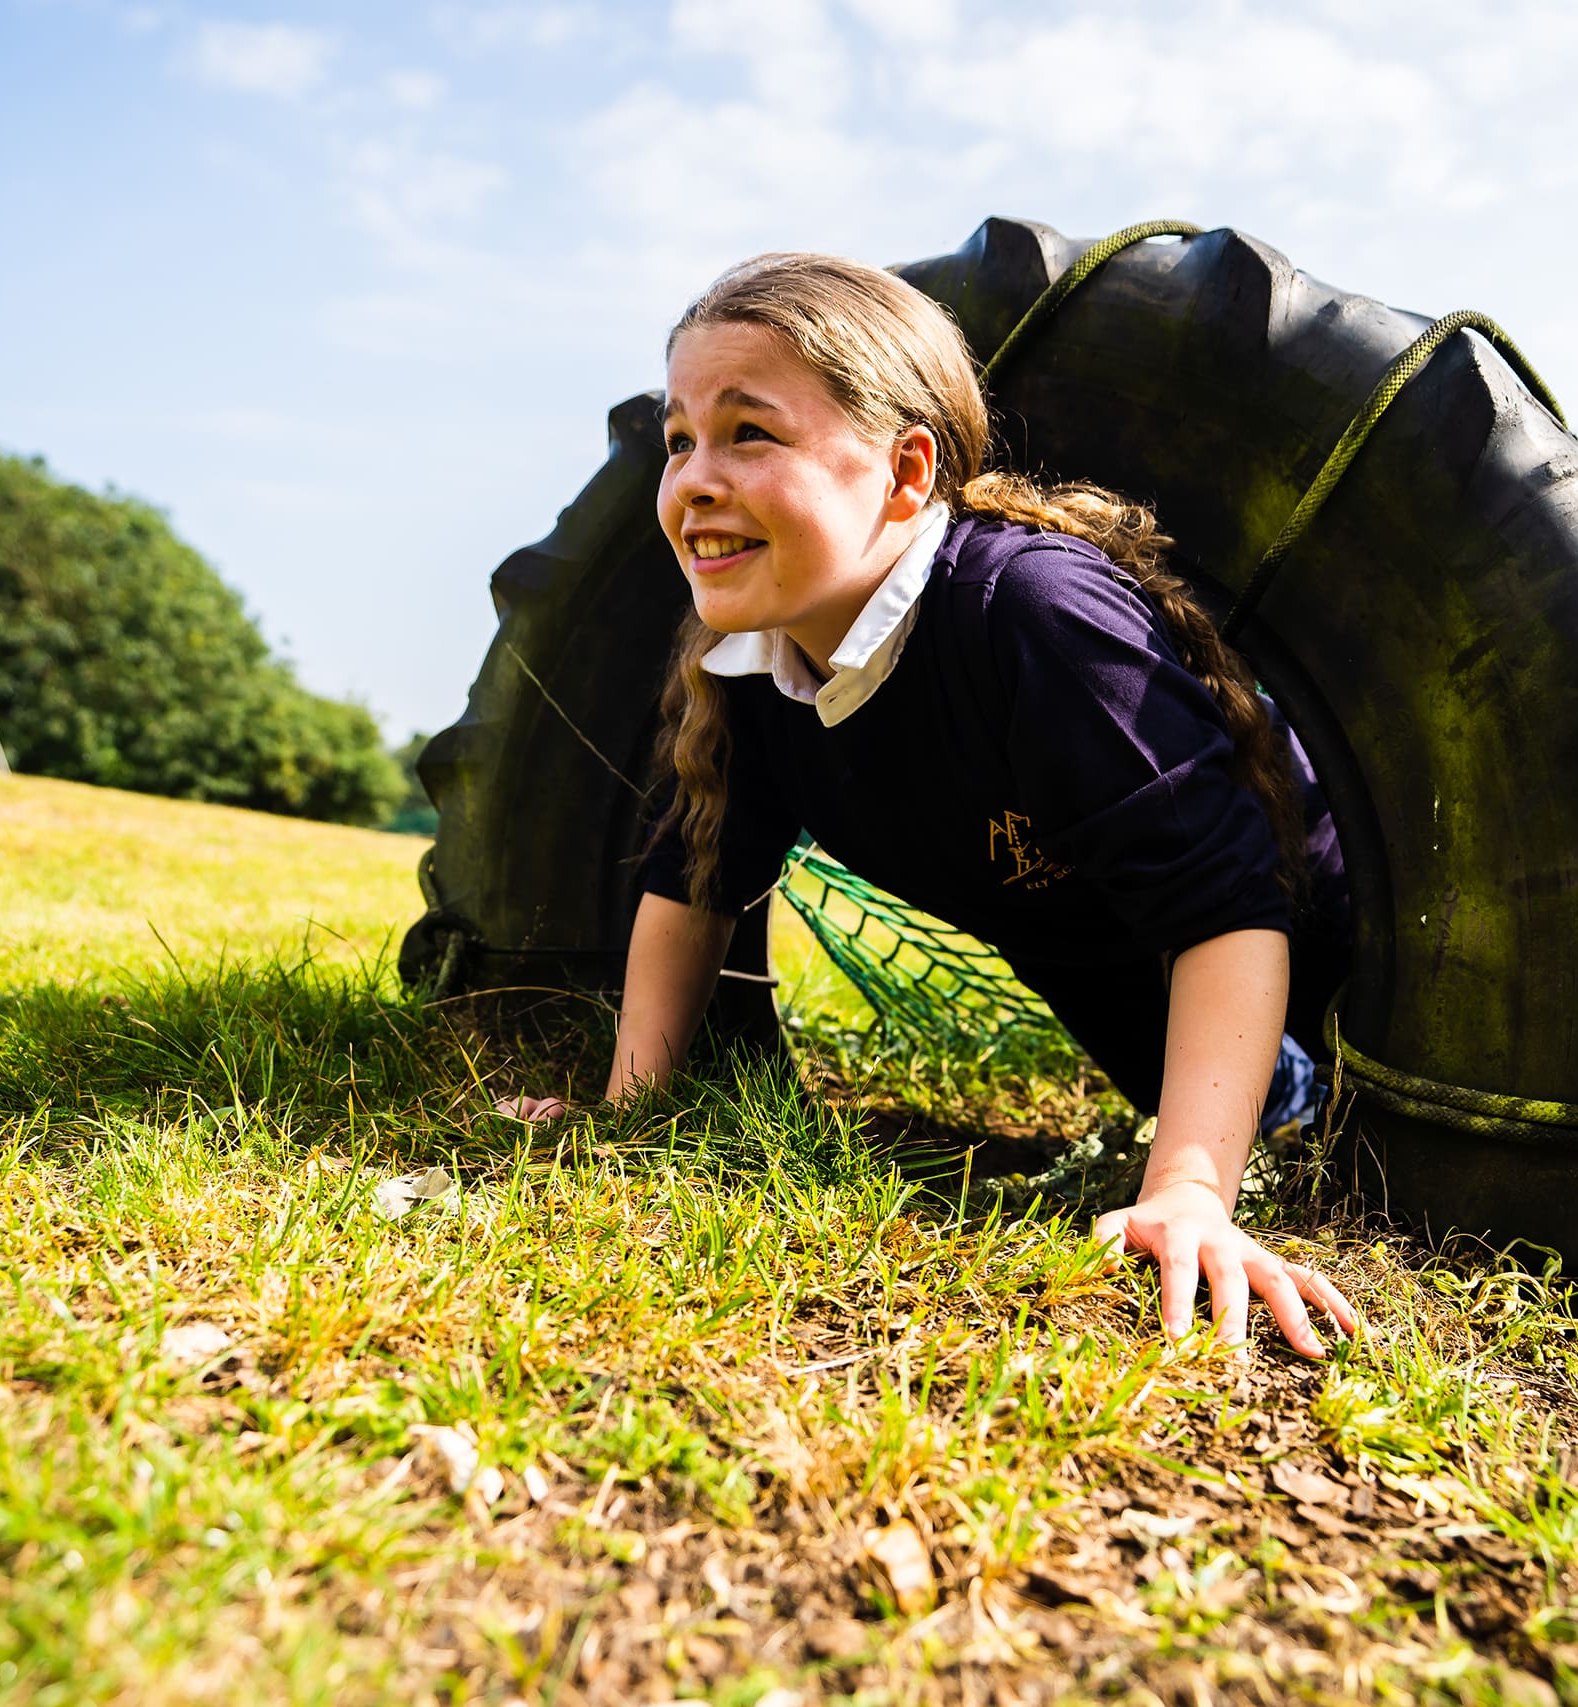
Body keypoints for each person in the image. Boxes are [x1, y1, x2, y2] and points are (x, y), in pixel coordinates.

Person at [502, 252, 1362, 1358]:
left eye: (748, 433)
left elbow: (1227, 904)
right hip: (1136, 1009)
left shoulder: (1030, 614)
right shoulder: (757, 671)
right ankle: (1277, 1108)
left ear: (907, 474)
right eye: (680, 440)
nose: (692, 481)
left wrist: (1190, 1194)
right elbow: (694, 883)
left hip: (1346, 968)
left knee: (1364, 1138)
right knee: (1278, 1115)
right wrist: (632, 1110)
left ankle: (1291, 1109)